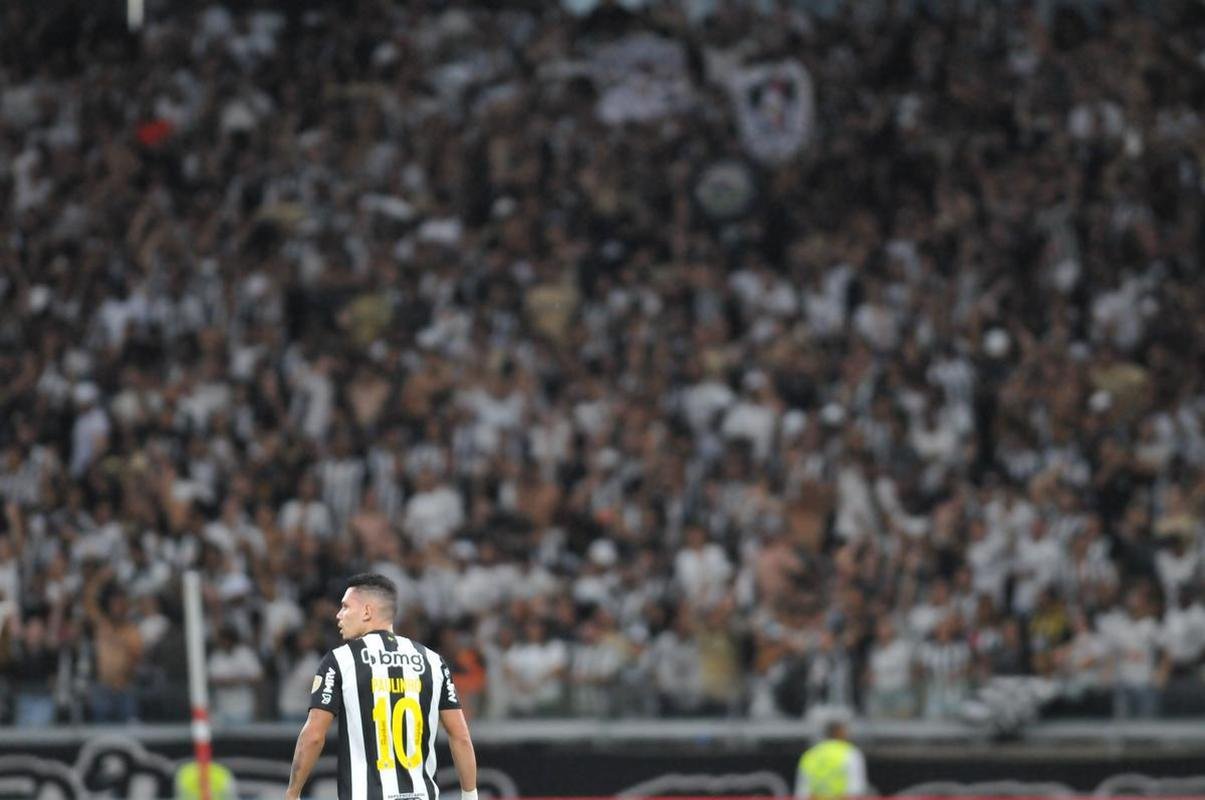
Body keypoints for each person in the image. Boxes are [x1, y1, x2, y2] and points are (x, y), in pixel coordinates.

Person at [285, 573, 477, 800]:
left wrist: (293, 793)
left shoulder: (340, 660)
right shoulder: (433, 661)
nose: (338, 615)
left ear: (366, 611)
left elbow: (314, 735)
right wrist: (469, 793)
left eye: (345, 607)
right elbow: (460, 736)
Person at [794, 717, 867, 800]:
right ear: (841, 733)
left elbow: (802, 792)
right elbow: (855, 789)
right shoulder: (850, 753)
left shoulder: (810, 755)